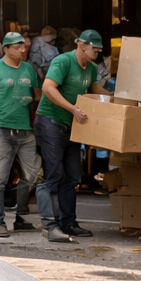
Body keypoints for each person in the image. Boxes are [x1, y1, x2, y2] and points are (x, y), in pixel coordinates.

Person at [34, 30, 110, 242]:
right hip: (50, 122)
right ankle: (50, 226)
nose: (98, 51)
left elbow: (94, 88)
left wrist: (117, 97)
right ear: (81, 45)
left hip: (71, 127)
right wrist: (73, 109)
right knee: (54, 176)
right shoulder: (63, 61)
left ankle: (68, 222)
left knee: (73, 176)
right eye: (95, 48)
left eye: (99, 48)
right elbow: (48, 88)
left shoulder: (92, 68)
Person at [0, 32, 42, 238]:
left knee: (33, 175)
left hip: (25, 131)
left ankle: (20, 215)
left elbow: (37, 93)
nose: (23, 50)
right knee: (0, 178)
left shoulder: (29, 69)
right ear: (6, 49)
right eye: (18, 47)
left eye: (24, 46)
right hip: (1, 130)